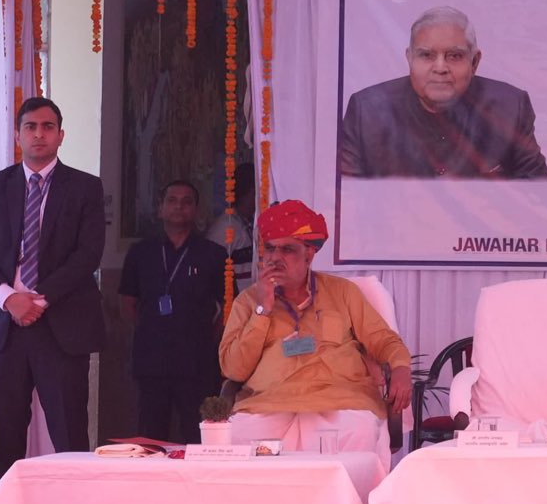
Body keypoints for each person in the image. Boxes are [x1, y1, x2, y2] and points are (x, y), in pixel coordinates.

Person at [0, 97, 108, 473]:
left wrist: (37, 300)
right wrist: (10, 299)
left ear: (61, 135)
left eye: (48, 127)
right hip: (4, 329)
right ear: (18, 135)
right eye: (30, 127)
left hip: (61, 325)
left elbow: (87, 256)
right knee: (5, 434)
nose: (39, 134)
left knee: (70, 435)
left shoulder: (85, 188)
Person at [219, 200, 411, 469]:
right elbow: (234, 369)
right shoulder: (249, 302)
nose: (275, 257)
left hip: (339, 400)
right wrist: (263, 310)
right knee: (236, 436)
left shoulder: (342, 293)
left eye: (287, 249)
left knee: (359, 432)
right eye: (270, 249)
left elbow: (384, 340)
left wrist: (401, 368)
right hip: (270, 402)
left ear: (308, 255)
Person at [337, 6, 547, 179]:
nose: (440, 68)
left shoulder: (511, 107)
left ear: (474, 62)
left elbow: (539, 196)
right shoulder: (367, 111)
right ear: (410, 59)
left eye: (454, 56)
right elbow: (344, 199)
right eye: (426, 55)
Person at [119, 178, 228, 444]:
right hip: (152, 360)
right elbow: (127, 302)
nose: (179, 207)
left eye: (187, 202)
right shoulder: (140, 252)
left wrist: (209, 339)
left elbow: (228, 305)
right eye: (172, 201)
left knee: (198, 434)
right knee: (150, 436)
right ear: (160, 209)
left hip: (196, 362)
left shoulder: (213, 254)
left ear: (197, 211)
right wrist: (151, 330)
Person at [204, 162, 256, 287]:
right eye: (255, 193)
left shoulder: (251, 221)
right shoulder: (224, 228)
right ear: (244, 193)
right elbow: (211, 272)